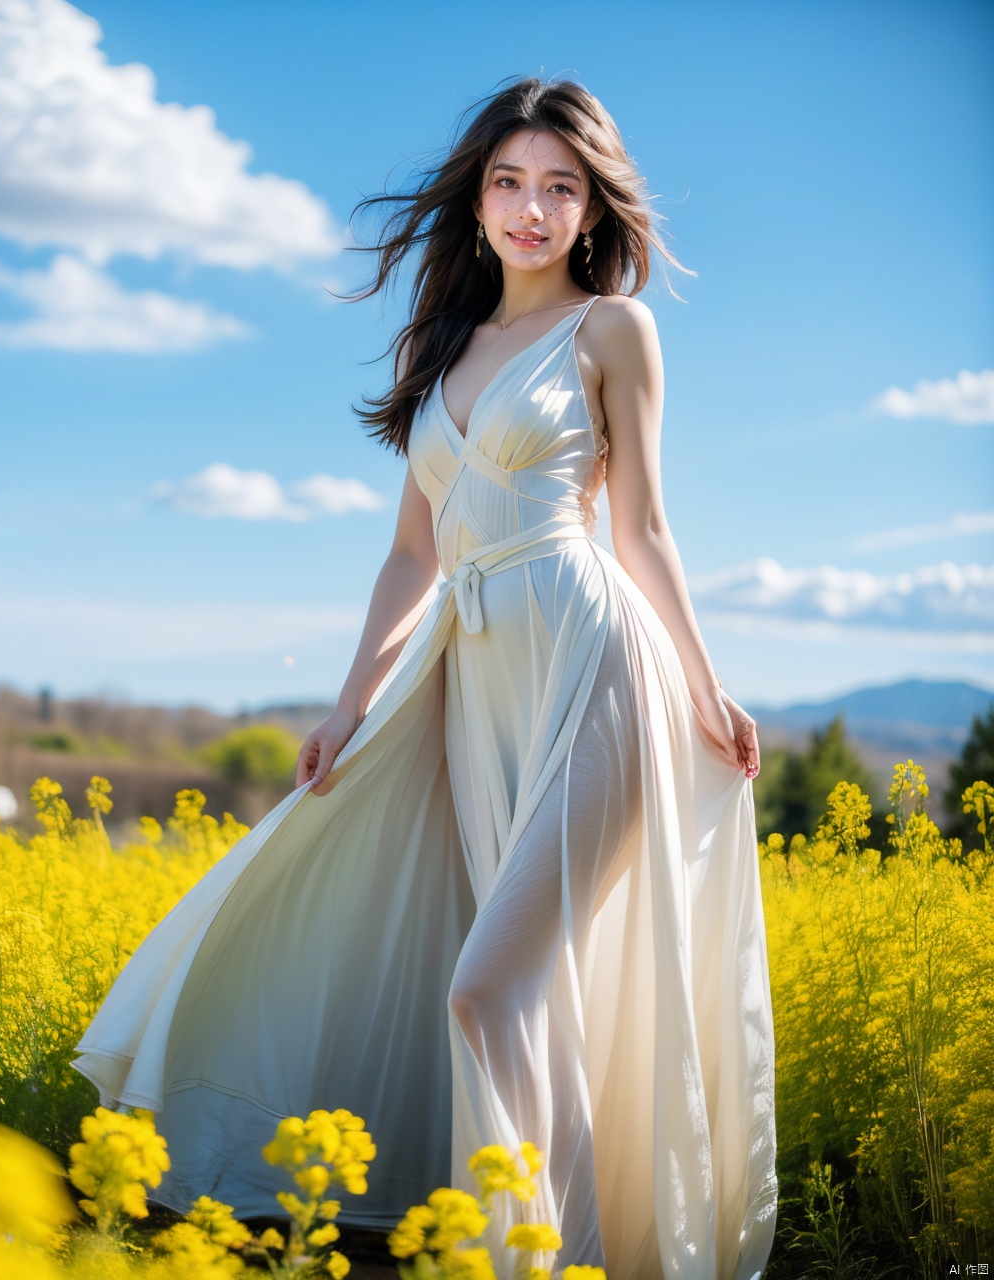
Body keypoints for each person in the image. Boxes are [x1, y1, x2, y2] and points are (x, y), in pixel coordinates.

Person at [72, 76, 778, 1280]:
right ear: (476, 198)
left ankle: (528, 1259)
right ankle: (559, 1253)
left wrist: (706, 688)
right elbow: (412, 549)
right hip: (471, 680)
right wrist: (348, 704)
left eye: (559, 187)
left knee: (483, 988)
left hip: (588, 659)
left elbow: (644, 528)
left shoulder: (612, 329)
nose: (530, 208)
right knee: (524, 991)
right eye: (509, 182)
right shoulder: (440, 346)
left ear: (592, 208)